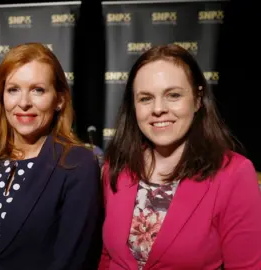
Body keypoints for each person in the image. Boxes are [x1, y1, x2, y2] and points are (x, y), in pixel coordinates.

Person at [98, 44, 261, 269]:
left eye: (173, 95)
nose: (158, 109)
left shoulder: (234, 173)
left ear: (197, 99)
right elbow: (108, 256)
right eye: (145, 98)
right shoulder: (116, 166)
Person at [0, 42, 102, 270]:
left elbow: (71, 261)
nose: (23, 103)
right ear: (2, 97)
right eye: (13, 89)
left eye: (37, 90)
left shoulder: (78, 164)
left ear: (59, 99)